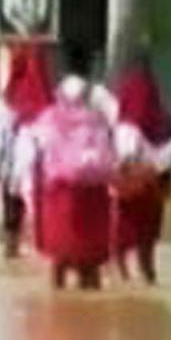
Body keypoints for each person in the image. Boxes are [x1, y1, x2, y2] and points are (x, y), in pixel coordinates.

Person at [19, 46, 118, 290]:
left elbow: (36, 138)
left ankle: (57, 311)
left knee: (58, 257)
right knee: (91, 259)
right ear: (91, 65)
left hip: (57, 185)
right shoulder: (100, 96)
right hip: (93, 186)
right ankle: (90, 316)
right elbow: (120, 126)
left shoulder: (52, 94)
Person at [111, 54, 171, 284]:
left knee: (120, 245)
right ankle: (149, 278)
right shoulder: (165, 120)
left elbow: (122, 158)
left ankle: (123, 280)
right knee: (147, 245)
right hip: (154, 194)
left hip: (130, 193)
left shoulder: (127, 123)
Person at [0, 43, 54, 258]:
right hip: (46, 178)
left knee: (12, 222)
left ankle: (12, 247)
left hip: (13, 174)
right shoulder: (52, 103)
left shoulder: (3, 105)